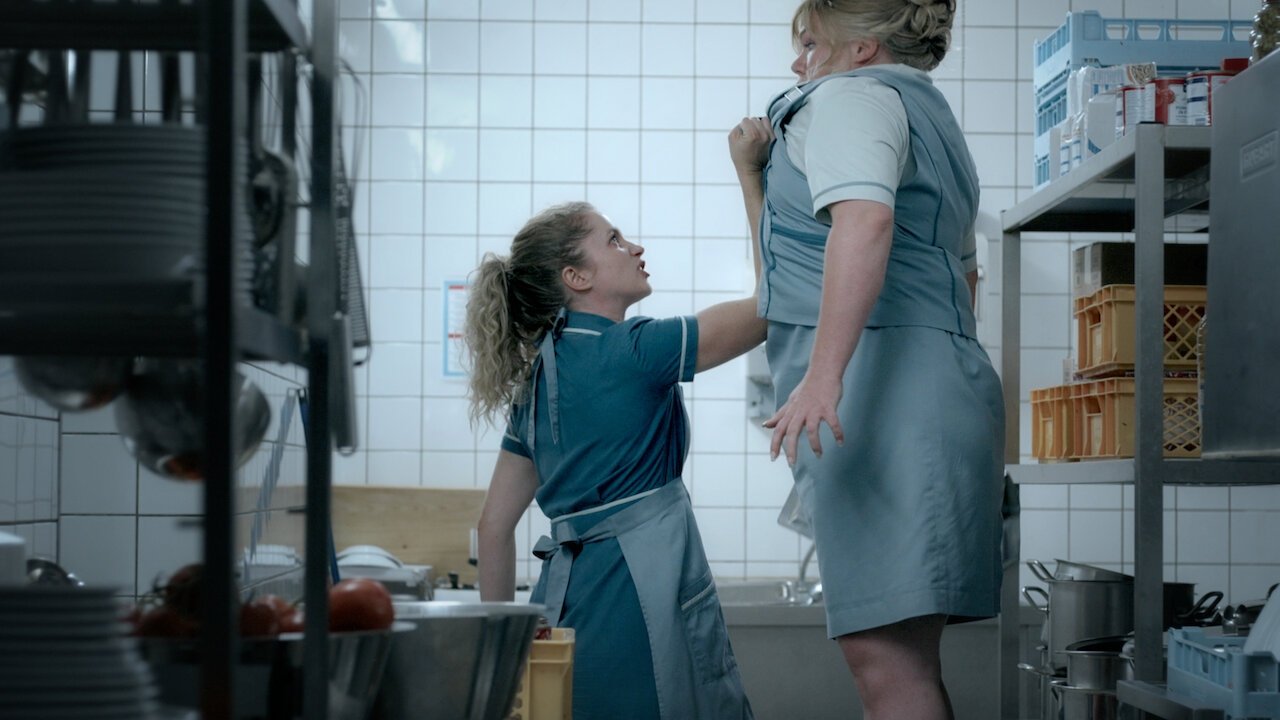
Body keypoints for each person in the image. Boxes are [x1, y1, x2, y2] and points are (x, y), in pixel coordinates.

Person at [735, 1, 1004, 718]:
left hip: (882, 396)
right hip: (929, 387)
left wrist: (824, 378)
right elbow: (964, 279)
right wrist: (751, 177)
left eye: (810, 43)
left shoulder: (851, 99)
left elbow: (865, 220)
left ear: (859, 49)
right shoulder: (928, 119)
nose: (799, 63)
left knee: (888, 668)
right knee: (901, 662)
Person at [466, 195, 769, 718]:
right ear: (576, 277)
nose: (635, 247)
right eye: (614, 240)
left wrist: (504, 652)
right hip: (639, 598)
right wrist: (751, 179)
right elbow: (770, 307)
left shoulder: (535, 384)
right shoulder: (636, 349)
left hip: (560, 610)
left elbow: (492, 528)